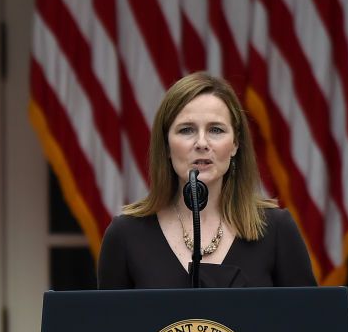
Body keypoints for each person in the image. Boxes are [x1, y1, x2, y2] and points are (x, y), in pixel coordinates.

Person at [98, 71, 317, 289]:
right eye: (186, 130)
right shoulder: (125, 235)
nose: (202, 143)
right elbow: (109, 323)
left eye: (215, 130)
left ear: (235, 145)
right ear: (165, 145)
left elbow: (309, 321)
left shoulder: (276, 230)